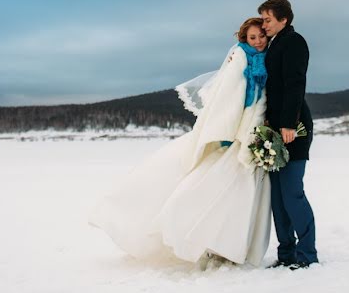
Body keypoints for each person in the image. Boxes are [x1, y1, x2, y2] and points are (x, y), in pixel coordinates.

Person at [88, 18, 271, 267]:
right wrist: (227, 133)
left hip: (251, 134)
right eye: (252, 37)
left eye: (261, 36)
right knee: (208, 187)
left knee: (237, 191)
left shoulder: (266, 59)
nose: (258, 41)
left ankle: (228, 246)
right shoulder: (239, 60)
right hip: (233, 138)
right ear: (244, 39)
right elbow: (227, 101)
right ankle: (194, 236)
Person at [258, 0, 318, 269]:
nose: (264, 24)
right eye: (263, 19)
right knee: (277, 197)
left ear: (284, 19)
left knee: (292, 192)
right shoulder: (273, 45)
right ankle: (286, 255)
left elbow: (295, 84)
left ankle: (307, 255)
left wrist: (289, 124)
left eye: (268, 19)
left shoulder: (295, 42)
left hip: (294, 128)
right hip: (273, 129)